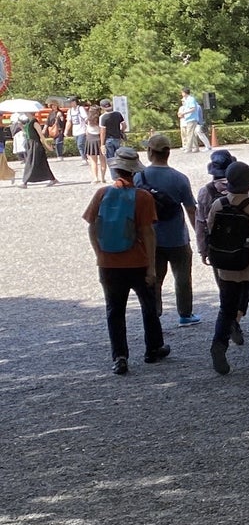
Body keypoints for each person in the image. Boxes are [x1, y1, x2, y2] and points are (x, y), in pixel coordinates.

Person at [82, 145, 164, 375]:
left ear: (116, 170)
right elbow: (148, 233)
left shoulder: (102, 194)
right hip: (137, 261)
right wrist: (151, 267)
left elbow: (92, 225)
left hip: (109, 263)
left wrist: (99, 253)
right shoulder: (143, 197)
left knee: (115, 311)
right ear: (135, 172)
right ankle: (153, 348)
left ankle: (120, 356)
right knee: (148, 306)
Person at [207, 160, 249, 373]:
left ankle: (219, 344)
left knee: (226, 310)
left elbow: (210, 233)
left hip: (226, 266)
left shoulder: (218, 205)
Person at [138, 133, 200, 327]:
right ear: (168, 153)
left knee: (154, 277)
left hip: (151, 237)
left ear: (150, 152)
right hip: (177, 236)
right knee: (182, 277)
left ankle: (154, 312)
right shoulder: (179, 178)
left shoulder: (140, 177)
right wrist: (199, 233)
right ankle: (185, 313)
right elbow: (191, 209)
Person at [196, 148, 247, 348]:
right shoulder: (243, 189)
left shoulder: (205, 192)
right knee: (244, 288)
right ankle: (237, 318)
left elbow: (200, 223)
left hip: (218, 249)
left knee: (225, 289)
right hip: (242, 248)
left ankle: (223, 335)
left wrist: (203, 249)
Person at [17, 113, 56, 186]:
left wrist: (47, 146)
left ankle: (24, 182)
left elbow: (41, 136)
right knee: (42, 163)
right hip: (30, 144)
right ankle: (52, 179)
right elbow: (27, 134)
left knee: (30, 163)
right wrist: (22, 127)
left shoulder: (35, 123)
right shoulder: (28, 122)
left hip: (36, 144)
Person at [178, 88, 206, 152]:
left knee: (189, 133)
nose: (181, 94)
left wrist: (184, 113)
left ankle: (189, 148)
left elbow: (193, 109)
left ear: (185, 93)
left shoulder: (191, 99)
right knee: (192, 133)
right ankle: (196, 148)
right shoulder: (187, 100)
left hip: (192, 118)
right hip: (189, 118)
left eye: (182, 92)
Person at [98, 99, 126, 163]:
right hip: (117, 139)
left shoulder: (103, 117)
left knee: (111, 160)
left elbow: (103, 132)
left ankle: (113, 173)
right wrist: (121, 131)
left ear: (102, 107)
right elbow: (124, 125)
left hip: (108, 140)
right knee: (119, 159)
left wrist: (102, 144)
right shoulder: (118, 114)